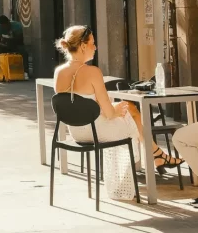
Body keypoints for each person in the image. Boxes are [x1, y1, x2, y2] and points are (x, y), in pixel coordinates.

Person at [54, 25, 181, 173]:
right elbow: (110, 114)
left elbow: (75, 105)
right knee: (130, 114)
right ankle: (152, 158)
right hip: (96, 132)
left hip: (76, 132)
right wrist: (116, 109)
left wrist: (110, 108)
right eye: (92, 43)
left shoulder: (59, 72)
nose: (95, 47)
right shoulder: (93, 72)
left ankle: (156, 155)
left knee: (129, 109)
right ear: (82, 46)